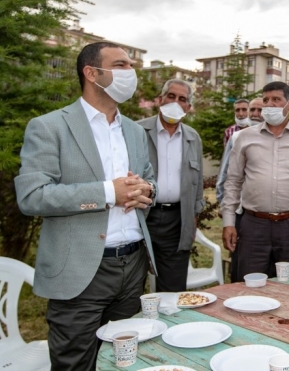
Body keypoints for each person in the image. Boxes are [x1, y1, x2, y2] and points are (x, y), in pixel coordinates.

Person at [14, 41, 157, 370]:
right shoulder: (49, 126)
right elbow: (32, 196)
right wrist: (109, 192)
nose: (131, 72)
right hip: (81, 270)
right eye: (121, 65)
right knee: (75, 361)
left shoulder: (135, 131)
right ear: (91, 73)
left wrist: (147, 189)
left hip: (133, 265)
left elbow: (149, 180)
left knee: (125, 361)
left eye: (131, 65)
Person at [221, 82, 289, 280]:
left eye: (276, 99)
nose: (269, 105)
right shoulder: (244, 138)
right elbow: (233, 182)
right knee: (249, 284)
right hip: (253, 225)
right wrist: (228, 222)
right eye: (266, 100)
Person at [137, 79, 205, 292]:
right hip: (140, 216)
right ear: (160, 99)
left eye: (182, 99)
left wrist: (193, 220)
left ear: (188, 107)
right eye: (171, 96)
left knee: (173, 289)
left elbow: (197, 184)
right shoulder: (137, 131)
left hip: (177, 220)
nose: (176, 102)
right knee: (131, 284)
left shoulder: (193, 138)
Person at [216, 97, 263, 282]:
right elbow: (224, 177)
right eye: (253, 110)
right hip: (242, 212)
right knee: (242, 263)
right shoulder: (236, 137)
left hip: (267, 216)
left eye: (260, 110)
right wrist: (226, 208)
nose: (255, 114)